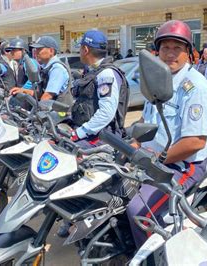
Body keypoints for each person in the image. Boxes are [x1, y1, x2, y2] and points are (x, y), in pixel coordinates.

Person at [126, 20, 207, 248]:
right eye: (165, 47)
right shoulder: (157, 80)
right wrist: (133, 142)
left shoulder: (196, 87)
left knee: (140, 212)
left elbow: (195, 141)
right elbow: (146, 120)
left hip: (183, 165)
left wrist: (156, 160)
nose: (170, 54)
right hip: (153, 158)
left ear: (188, 53)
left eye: (178, 48)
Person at [56, 30, 130, 237]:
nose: (79, 51)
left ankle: (78, 218)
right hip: (90, 133)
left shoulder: (106, 74)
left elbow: (106, 113)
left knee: (68, 165)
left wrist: (78, 133)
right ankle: (68, 215)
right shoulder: (93, 71)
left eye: (80, 47)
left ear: (86, 49)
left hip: (102, 137)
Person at [10, 36, 72, 103]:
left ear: (51, 51)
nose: (36, 52)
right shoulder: (46, 68)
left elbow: (47, 96)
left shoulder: (57, 69)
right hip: (50, 110)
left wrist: (37, 109)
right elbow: (40, 94)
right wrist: (22, 91)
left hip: (60, 112)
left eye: (39, 49)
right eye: (35, 49)